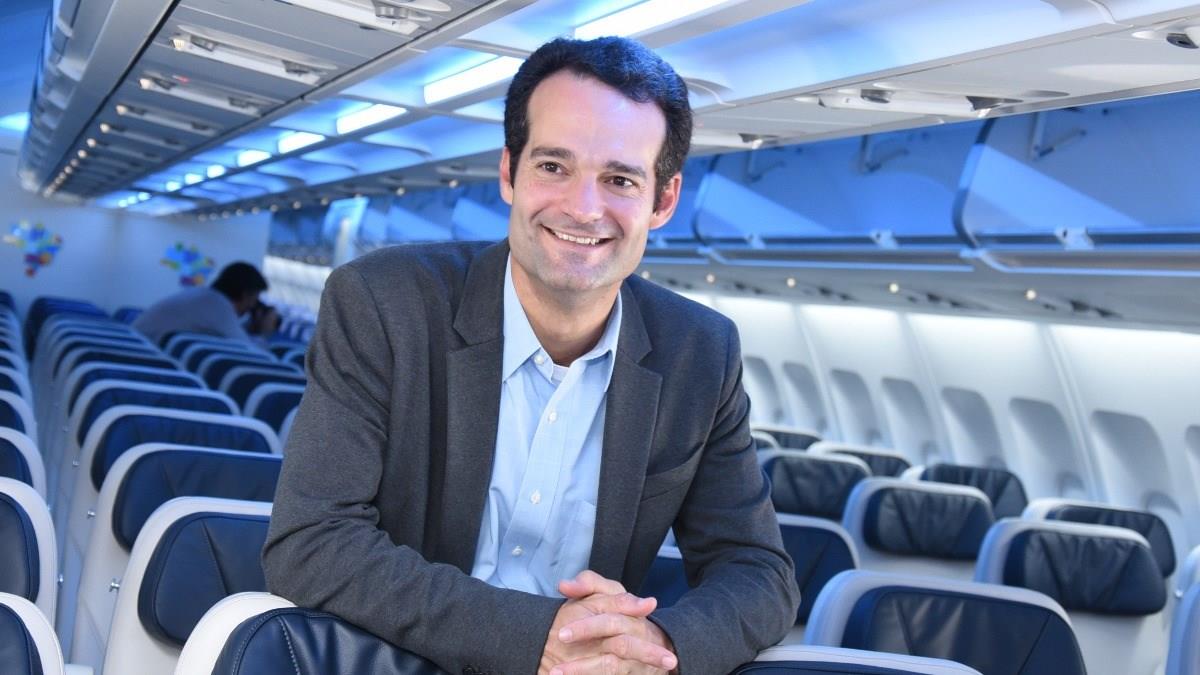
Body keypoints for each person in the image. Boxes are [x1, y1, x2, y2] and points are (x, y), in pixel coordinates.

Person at [262, 37, 799, 675]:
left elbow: (759, 572)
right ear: (508, 172)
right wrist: (533, 636)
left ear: (662, 200)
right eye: (553, 166)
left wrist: (655, 644)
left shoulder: (700, 352)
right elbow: (313, 541)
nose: (583, 208)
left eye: (620, 180)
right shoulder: (385, 302)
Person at [132, 261, 279, 346]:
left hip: (139, 347)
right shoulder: (217, 306)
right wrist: (264, 332)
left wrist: (251, 331)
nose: (253, 306)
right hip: (141, 355)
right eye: (254, 299)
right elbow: (248, 352)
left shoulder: (205, 297)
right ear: (245, 294)